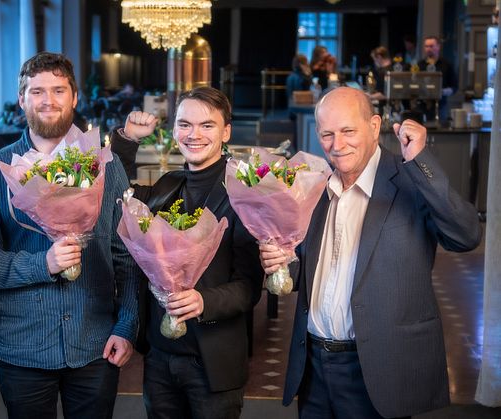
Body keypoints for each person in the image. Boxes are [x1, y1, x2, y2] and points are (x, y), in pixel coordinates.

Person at [259, 87, 482, 418]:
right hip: (314, 370)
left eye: (348, 131)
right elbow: (302, 271)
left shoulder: (409, 179)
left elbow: (466, 236)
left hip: (378, 371)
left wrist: (420, 160)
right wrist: (281, 262)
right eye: (327, 134)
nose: (337, 145)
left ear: (374, 126)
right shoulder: (313, 187)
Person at [0, 52, 140, 419]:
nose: (48, 100)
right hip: (22, 347)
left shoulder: (106, 165)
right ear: (22, 100)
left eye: (59, 90)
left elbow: (128, 255)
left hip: (95, 342)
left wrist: (126, 326)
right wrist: (42, 263)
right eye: (37, 91)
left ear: (74, 98)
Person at [110, 86, 264, 419]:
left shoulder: (244, 193)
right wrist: (126, 139)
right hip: (160, 360)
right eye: (184, 124)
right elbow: (115, 199)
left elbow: (249, 286)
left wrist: (204, 301)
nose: (193, 134)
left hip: (212, 364)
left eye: (206, 125)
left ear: (225, 132)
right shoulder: (167, 184)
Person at [418, 36, 455, 120]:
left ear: (438, 47)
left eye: (431, 46)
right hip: (422, 105)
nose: (428, 49)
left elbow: (454, 86)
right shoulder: (420, 65)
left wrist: (443, 92)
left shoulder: (446, 65)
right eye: (426, 46)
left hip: (441, 105)